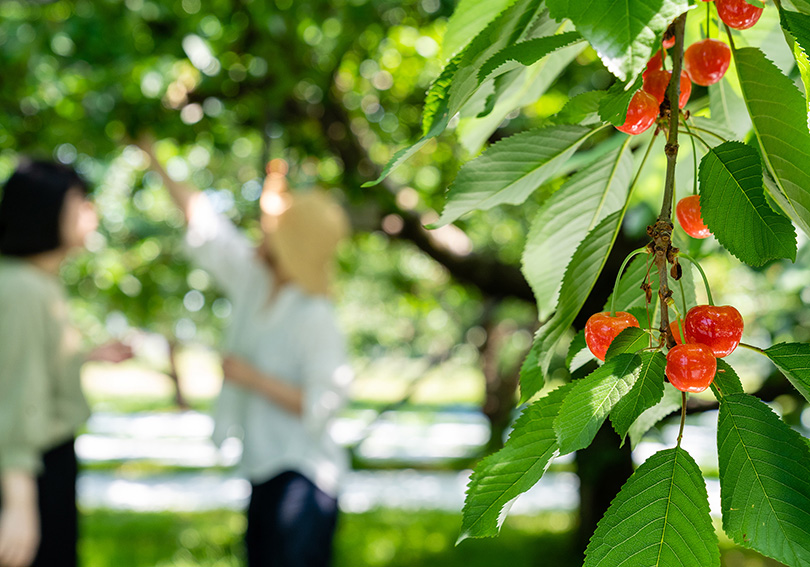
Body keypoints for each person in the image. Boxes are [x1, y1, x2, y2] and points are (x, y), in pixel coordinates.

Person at [140, 143, 352, 567]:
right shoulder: (257, 282)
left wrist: (252, 378)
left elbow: (322, 403)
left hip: (304, 476)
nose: (263, 232)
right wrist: (152, 157)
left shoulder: (315, 315)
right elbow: (204, 223)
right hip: (263, 467)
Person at [0, 160, 133, 567]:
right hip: (31, 468)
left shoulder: (35, 282)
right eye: (80, 203)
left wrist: (86, 356)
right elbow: (14, 398)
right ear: (46, 210)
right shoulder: (24, 288)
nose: (91, 214)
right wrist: (20, 503)